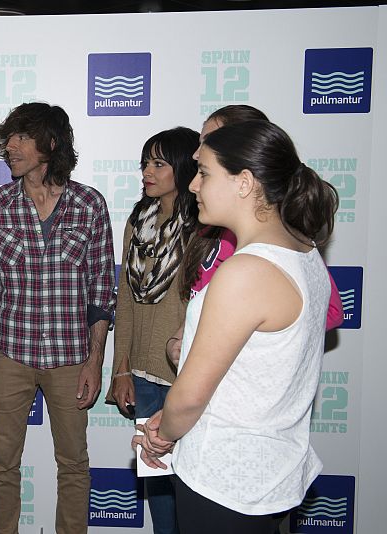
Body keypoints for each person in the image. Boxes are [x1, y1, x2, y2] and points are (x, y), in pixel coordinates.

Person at [134, 120, 339, 534]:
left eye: (205, 173)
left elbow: (190, 397)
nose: (193, 186)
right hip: (269, 476)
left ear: (244, 183)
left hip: (225, 481)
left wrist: (162, 432)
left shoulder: (245, 271)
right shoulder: (305, 253)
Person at [0, 102, 115, 534]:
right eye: (7, 138)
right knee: (3, 464)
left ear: (50, 143)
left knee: (74, 464)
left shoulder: (89, 204)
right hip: (10, 354)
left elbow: (101, 293)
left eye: (20, 137)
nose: (9, 146)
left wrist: (94, 361)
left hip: (72, 357)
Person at [167, 105, 343, 365]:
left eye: (207, 141)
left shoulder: (271, 247)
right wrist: (182, 337)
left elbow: (329, 311)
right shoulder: (213, 226)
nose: (196, 153)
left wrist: (241, 340)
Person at [106, 126, 199, 534]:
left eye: (158, 163)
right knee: (159, 488)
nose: (147, 171)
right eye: (146, 162)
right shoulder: (137, 221)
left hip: (188, 378)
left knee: (195, 488)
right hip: (142, 377)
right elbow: (125, 300)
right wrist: (121, 368)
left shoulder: (206, 227)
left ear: (183, 168)